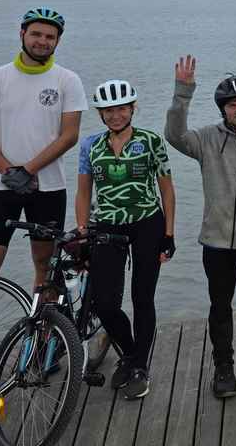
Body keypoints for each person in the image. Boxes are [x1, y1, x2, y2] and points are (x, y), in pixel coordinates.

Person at [0, 7, 85, 396]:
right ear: (22, 34)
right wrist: (8, 171)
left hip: (47, 186)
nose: (42, 41)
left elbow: (69, 135)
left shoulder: (67, 80)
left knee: (44, 267)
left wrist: (28, 169)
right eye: (36, 35)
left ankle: (41, 341)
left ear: (57, 41)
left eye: (50, 37)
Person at [165, 59, 236, 399]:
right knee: (220, 307)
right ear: (224, 109)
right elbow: (174, 135)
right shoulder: (204, 139)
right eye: (233, 105)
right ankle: (224, 368)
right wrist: (182, 93)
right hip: (216, 241)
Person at [75, 79, 176, 399]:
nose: (115, 115)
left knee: (142, 298)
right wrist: (81, 232)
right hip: (107, 226)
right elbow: (83, 191)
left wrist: (169, 234)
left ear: (132, 109)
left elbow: (167, 189)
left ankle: (139, 367)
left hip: (148, 224)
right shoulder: (89, 145)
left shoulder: (150, 141)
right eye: (108, 111)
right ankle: (131, 354)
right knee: (104, 303)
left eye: (121, 108)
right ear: (101, 114)